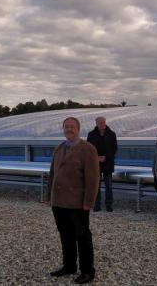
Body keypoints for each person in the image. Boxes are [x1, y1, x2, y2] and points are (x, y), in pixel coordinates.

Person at [47, 117, 100, 284]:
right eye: (66, 127)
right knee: (65, 235)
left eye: (72, 127)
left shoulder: (88, 149)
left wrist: (88, 202)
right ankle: (69, 265)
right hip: (59, 202)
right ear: (63, 129)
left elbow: (93, 179)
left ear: (78, 129)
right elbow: (52, 174)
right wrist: (50, 196)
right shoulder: (59, 148)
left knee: (82, 236)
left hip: (77, 203)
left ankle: (87, 271)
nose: (69, 129)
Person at [86, 116, 118, 212]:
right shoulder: (91, 134)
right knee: (96, 185)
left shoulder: (112, 134)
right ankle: (97, 205)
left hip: (108, 163)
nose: (102, 124)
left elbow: (114, 148)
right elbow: (88, 148)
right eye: (100, 122)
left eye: (103, 122)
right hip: (96, 163)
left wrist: (106, 157)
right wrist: (96, 157)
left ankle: (109, 205)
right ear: (96, 123)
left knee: (109, 185)